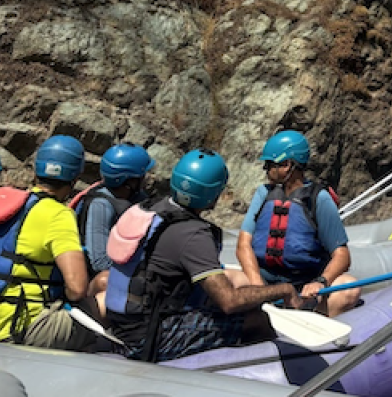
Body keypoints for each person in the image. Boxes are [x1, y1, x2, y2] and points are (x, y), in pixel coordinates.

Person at [104, 149, 307, 362]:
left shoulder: (149, 208)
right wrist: (283, 290)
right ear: (213, 193)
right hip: (149, 338)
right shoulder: (194, 234)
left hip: (122, 326)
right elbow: (229, 301)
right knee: (256, 319)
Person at [0, 135, 99, 350]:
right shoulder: (59, 215)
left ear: (36, 171)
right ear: (76, 176)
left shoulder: (14, 205)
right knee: (105, 303)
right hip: (23, 328)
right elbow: (77, 289)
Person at [237, 131, 359, 318]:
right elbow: (243, 244)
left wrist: (320, 282)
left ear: (287, 165)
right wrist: (257, 285)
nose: (266, 169)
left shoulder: (319, 199)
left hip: (304, 285)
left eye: (270, 164)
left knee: (349, 288)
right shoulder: (263, 194)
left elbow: (342, 255)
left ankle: (316, 325)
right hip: (265, 280)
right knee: (227, 279)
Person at [76, 142, 154, 292]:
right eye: (141, 176)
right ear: (128, 180)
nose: (145, 179)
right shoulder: (101, 205)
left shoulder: (138, 198)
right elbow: (99, 263)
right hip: (102, 282)